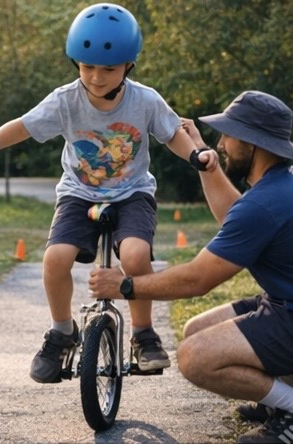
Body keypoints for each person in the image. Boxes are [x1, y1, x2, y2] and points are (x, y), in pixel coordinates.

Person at [0, 3, 218, 384]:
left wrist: (196, 155)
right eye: (88, 67)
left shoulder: (145, 100)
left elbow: (172, 134)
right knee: (54, 259)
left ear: (128, 66)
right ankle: (62, 332)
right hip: (79, 194)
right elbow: (25, 125)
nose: (97, 77)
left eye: (108, 69)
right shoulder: (65, 100)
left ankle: (143, 334)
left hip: (132, 193)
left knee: (135, 255)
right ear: (76, 63)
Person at [88, 90, 293, 443]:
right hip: (280, 302)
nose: (222, 145)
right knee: (197, 329)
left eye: (228, 136)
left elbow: (197, 280)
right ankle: (276, 396)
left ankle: (290, 407)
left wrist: (125, 285)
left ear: (251, 143)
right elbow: (235, 216)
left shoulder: (264, 204)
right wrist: (203, 159)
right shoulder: (277, 187)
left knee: (195, 357)